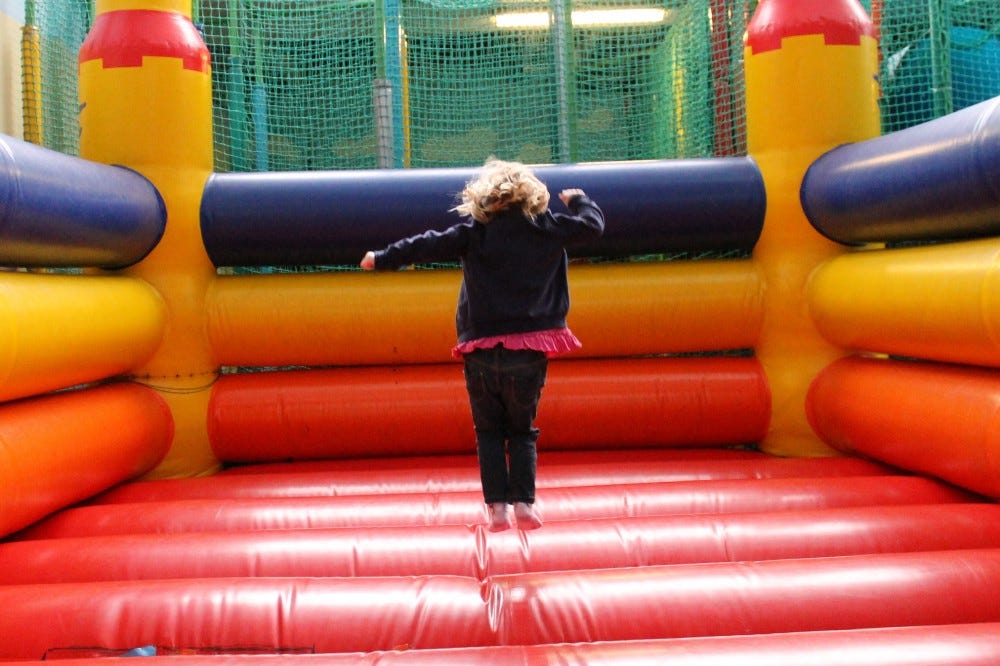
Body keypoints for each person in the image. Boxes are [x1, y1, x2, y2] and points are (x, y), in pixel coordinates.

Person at [361, 159, 605, 531]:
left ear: (486, 200)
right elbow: (593, 226)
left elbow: (428, 244)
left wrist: (382, 257)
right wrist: (579, 200)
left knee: (489, 431)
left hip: (482, 350)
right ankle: (524, 504)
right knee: (521, 430)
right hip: (528, 350)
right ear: (531, 198)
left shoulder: (476, 233)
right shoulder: (548, 228)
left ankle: (498, 509)